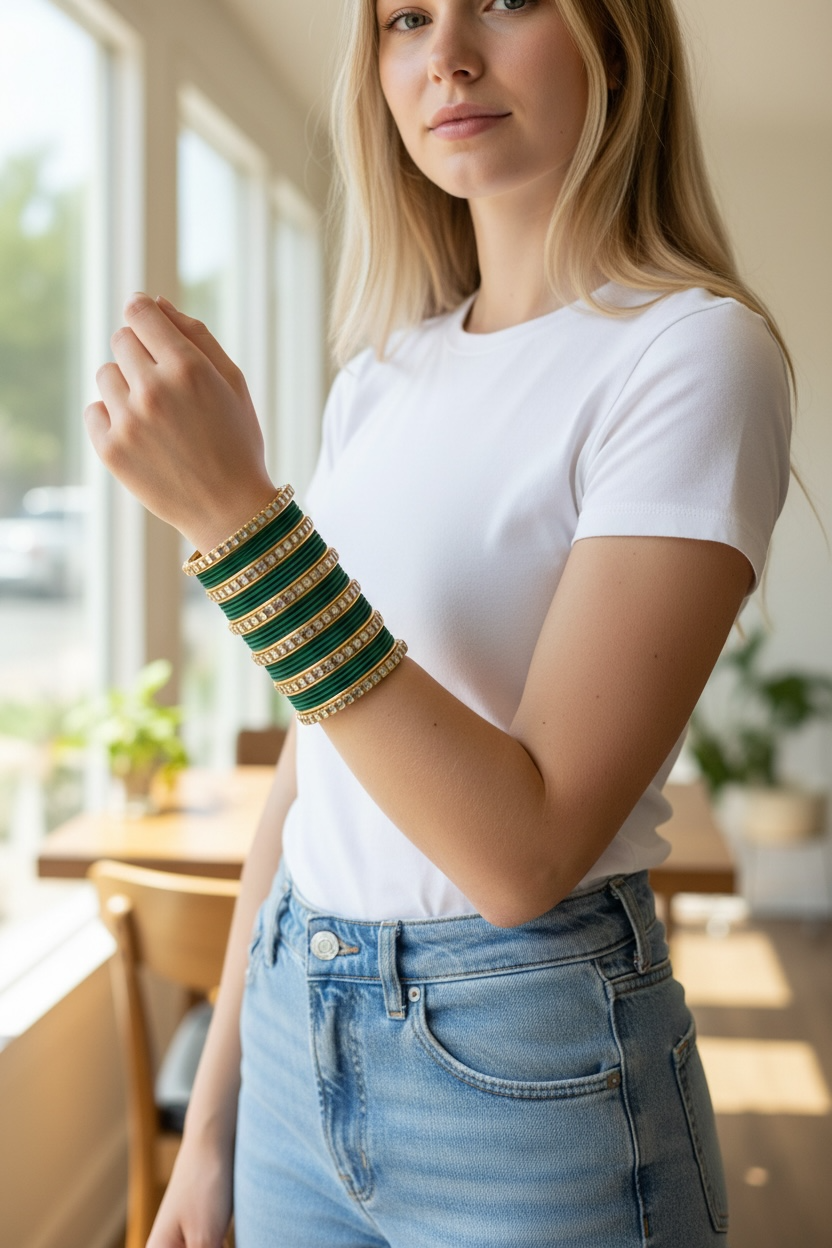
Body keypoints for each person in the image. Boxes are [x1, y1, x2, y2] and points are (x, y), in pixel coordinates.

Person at [86, 1, 792, 1244]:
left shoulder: (691, 354)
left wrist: (244, 527)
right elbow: (316, 770)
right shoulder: (380, 378)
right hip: (294, 1033)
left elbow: (523, 855)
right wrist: (209, 1129)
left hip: (526, 1070)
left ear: (616, 35)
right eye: (405, 16)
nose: (448, 53)